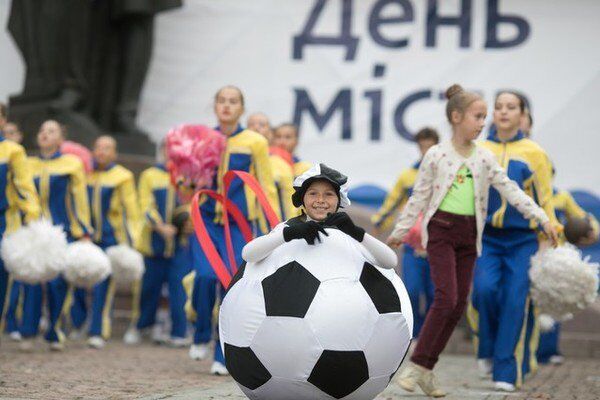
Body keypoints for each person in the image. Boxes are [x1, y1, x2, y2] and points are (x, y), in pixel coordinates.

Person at [387, 84, 558, 397]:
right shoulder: (437, 155)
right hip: (440, 232)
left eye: (484, 117)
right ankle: (415, 364)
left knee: (458, 304)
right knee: (445, 298)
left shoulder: (485, 157)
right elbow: (419, 196)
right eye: (478, 117)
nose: (484, 122)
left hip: (470, 236)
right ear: (456, 117)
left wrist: (543, 218)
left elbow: (512, 190)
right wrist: (400, 232)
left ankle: (426, 369)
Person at [467, 91, 561, 392]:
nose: (504, 112)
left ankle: (504, 370)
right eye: (499, 107)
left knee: (514, 301)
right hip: (487, 237)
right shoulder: (478, 148)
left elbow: (545, 198)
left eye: (511, 107)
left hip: (523, 240)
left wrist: (551, 228)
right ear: (492, 113)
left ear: (522, 114)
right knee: (483, 290)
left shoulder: (535, 153)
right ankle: (486, 350)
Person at [188, 86, 280, 375]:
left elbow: (265, 183)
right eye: (222, 101)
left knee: (231, 287)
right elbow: (191, 179)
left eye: (233, 102)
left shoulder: (255, 142)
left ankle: (221, 353)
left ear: (241, 108)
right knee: (203, 278)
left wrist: (274, 225)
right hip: (205, 222)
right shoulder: (202, 139)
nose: (227, 106)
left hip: (239, 225)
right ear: (214, 106)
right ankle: (201, 332)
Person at [17, 120, 92, 352]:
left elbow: (80, 199)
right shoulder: (26, 163)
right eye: (41, 130)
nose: (45, 134)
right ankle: (27, 332)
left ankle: (55, 331)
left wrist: (83, 231)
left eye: (51, 131)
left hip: (63, 231)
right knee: (30, 281)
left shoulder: (72, 164)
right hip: (34, 231)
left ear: (61, 139)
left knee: (58, 283)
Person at [242, 163, 397, 271]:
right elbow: (248, 254)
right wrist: (290, 234)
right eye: (313, 194)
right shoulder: (288, 228)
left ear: (339, 201)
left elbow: (390, 261)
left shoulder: (349, 233)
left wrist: (356, 232)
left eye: (328, 194)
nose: (320, 200)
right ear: (302, 199)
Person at [70, 135, 140, 349]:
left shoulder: (122, 176)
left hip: (110, 239)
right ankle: (77, 323)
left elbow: (132, 210)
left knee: (103, 286)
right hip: (85, 237)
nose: (101, 151)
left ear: (114, 153)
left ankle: (98, 331)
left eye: (107, 148)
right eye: (98, 147)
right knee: (78, 279)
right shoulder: (84, 174)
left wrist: (131, 241)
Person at [371, 127, 439, 338]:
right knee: (411, 289)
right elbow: (392, 202)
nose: (426, 150)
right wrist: (378, 223)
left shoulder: (447, 172)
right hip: (413, 243)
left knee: (433, 293)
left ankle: (430, 335)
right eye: (423, 146)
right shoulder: (408, 176)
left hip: (438, 244)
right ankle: (414, 333)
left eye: (430, 146)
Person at [124, 143, 190, 347]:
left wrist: (188, 222)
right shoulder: (150, 175)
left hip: (181, 244)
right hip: (154, 243)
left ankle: (180, 331)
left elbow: (192, 201)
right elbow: (145, 204)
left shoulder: (188, 175)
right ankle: (143, 326)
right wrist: (159, 225)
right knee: (148, 287)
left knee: (179, 287)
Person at [0, 109, 40, 340]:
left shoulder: (13, 151)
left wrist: (32, 218)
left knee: (3, 282)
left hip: (4, 223)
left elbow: (25, 187)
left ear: (3, 120)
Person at [248, 113, 297, 220]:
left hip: (275, 220)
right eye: (251, 124)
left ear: (270, 134)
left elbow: (289, 200)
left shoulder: (279, 161)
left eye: (262, 125)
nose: (256, 128)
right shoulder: (240, 157)